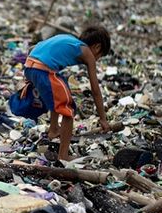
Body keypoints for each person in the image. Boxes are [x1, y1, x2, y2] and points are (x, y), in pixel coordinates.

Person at [14, 25, 111, 161]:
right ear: (97, 47)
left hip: (30, 67)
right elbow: (95, 89)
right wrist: (103, 118)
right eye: (99, 57)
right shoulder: (87, 52)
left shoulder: (68, 40)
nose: (97, 60)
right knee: (69, 109)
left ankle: (54, 129)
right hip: (43, 70)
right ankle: (63, 156)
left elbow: (33, 48)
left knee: (60, 89)